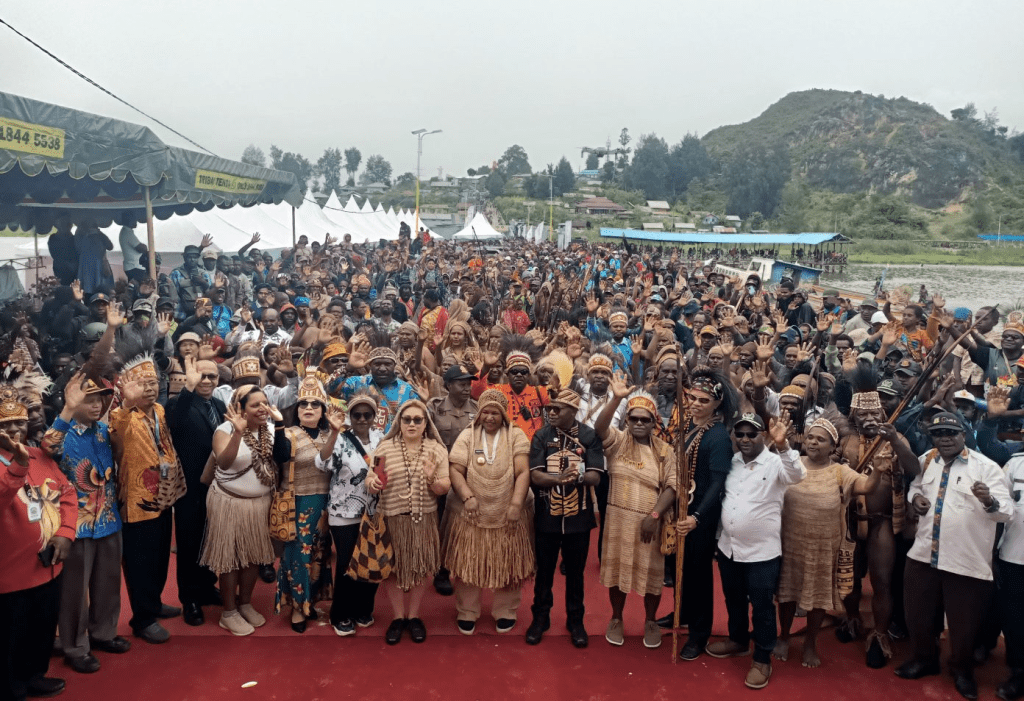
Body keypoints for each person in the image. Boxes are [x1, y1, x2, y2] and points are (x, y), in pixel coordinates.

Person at [895, 412, 1012, 701]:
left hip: (966, 559)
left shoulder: (986, 467)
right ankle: (924, 659)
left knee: (964, 625)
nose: (945, 438)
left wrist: (988, 499)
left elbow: (1007, 512)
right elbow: (916, 486)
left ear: (964, 434)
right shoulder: (927, 459)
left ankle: (962, 671)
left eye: (951, 432)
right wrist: (915, 498)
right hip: (924, 554)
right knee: (918, 615)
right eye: (938, 433)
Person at [698, 412, 803, 690]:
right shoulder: (732, 462)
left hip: (762, 553)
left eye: (751, 434)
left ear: (763, 436)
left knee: (762, 607)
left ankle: (762, 658)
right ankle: (738, 640)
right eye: (740, 434)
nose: (745, 439)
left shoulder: (776, 462)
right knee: (733, 599)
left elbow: (797, 475)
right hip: (729, 548)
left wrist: (782, 445)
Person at [774, 413, 881, 668]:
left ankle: (810, 643)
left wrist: (879, 468)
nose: (813, 442)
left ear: (833, 447)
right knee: (787, 594)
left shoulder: (840, 472)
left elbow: (867, 487)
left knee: (818, 597)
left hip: (823, 547)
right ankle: (784, 636)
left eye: (820, 440)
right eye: (810, 437)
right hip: (789, 543)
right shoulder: (792, 463)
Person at [41, 373, 126, 674]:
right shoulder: (62, 432)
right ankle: (75, 646)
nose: (96, 405)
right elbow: (47, 447)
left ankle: (103, 632)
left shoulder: (103, 430)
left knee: (108, 583)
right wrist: (67, 409)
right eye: (88, 400)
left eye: (100, 399)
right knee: (74, 592)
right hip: (75, 525)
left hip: (108, 519)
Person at [0, 386, 77, 701]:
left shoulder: (39, 456)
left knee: (42, 628)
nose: (14, 430)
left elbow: (67, 492)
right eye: (5, 425)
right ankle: (10, 688)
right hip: (10, 574)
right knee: (10, 636)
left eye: (18, 423)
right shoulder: (19, 460)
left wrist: (66, 532)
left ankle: (34, 676)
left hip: (47, 565)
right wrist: (17, 466)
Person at [592, 380, 677, 650]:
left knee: (652, 576)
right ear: (627, 420)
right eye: (634, 418)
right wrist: (617, 398)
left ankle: (650, 621)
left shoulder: (665, 451)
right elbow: (599, 428)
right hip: (618, 521)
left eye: (645, 419)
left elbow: (673, 486)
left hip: (649, 525)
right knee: (617, 573)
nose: (639, 423)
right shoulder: (617, 442)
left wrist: (654, 516)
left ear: (654, 423)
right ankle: (616, 618)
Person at [110, 354, 187, 644]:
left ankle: (153, 603)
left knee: (159, 556)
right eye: (142, 384)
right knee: (139, 562)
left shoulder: (159, 410)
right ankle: (142, 619)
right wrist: (126, 403)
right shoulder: (122, 416)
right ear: (129, 388)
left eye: (153, 382)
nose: (150, 388)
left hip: (163, 496)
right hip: (137, 502)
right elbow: (117, 429)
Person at [444, 389, 534, 635]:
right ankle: (467, 611)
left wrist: (515, 505)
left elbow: (523, 472)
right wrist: (467, 496)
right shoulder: (468, 435)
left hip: (508, 514)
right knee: (468, 564)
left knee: (509, 564)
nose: (490, 417)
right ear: (479, 414)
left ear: (503, 415)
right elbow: (455, 469)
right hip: (471, 514)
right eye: (486, 412)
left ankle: (506, 611)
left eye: (495, 413)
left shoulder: (516, 434)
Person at [662, 369, 736, 661]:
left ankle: (699, 633)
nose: (695, 403)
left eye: (703, 400)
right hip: (680, 510)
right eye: (692, 398)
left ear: (716, 404)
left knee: (698, 574)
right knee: (677, 566)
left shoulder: (717, 437)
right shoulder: (688, 426)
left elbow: (718, 482)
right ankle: (682, 612)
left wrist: (697, 518)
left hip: (700, 516)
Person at [203, 385, 289, 636]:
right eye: (255, 405)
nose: (262, 408)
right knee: (230, 559)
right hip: (229, 502)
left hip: (260, 503)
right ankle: (228, 612)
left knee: (253, 555)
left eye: (265, 403)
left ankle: (245, 603)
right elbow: (224, 462)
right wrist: (238, 433)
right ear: (240, 409)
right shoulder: (224, 430)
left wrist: (279, 425)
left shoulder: (269, 430)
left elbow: (282, 456)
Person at [365, 400, 450, 645]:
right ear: (399, 422)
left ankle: (413, 616)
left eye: (417, 419)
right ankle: (397, 617)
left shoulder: (436, 449)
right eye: (407, 419)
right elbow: (371, 480)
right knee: (392, 570)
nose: (412, 424)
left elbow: (444, 488)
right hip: (391, 518)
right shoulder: (384, 448)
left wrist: (432, 478)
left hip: (423, 520)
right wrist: (373, 483)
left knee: (420, 568)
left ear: (426, 423)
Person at [525, 388, 605, 648]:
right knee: (544, 572)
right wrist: (558, 479)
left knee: (576, 574)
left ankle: (575, 621)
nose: (551, 413)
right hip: (547, 516)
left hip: (578, 518)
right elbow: (535, 475)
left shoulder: (589, 436)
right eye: (549, 408)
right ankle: (540, 619)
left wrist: (576, 477)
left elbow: (595, 476)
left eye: (557, 409)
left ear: (573, 411)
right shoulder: (541, 435)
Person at [317, 392, 383, 637]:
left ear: (374, 416)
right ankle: (340, 614)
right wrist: (334, 433)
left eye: (367, 414)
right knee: (347, 564)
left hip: (374, 511)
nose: (362, 419)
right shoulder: (341, 439)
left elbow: (387, 468)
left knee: (372, 560)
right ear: (350, 417)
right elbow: (321, 463)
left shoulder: (381, 438)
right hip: (344, 512)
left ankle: (363, 609)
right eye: (357, 415)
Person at [165, 357, 224, 627]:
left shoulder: (220, 405)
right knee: (189, 543)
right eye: (202, 375)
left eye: (212, 376)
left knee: (211, 539)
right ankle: (189, 598)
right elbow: (174, 423)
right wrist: (187, 389)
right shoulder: (179, 404)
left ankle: (207, 586)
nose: (207, 381)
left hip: (217, 487)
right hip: (189, 487)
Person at [276, 373, 334, 633]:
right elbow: (279, 456)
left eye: (315, 404)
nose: (308, 408)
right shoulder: (288, 434)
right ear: (296, 409)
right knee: (298, 555)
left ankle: (311, 600)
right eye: (303, 404)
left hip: (325, 504)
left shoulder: (330, 434)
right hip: (297, 503)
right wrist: (278, 425)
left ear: (323, 410)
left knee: (319, 554)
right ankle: (298, 607)